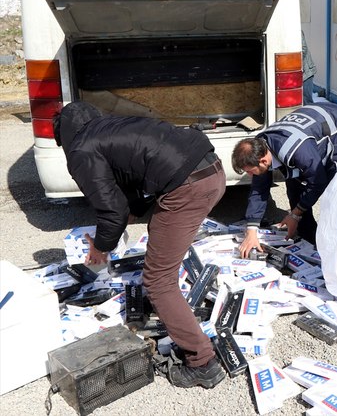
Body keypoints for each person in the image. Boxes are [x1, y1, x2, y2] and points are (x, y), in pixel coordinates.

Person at [53, 101, 226, 388]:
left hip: (188, 186)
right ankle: (190, 336)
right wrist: (130, 211)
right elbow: (129, 178)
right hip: (210, 170)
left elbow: (111, 210)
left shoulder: (80, 150)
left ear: (65, 135)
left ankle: (202, 362)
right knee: (159, 243)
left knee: (158, 280)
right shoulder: (109, 130)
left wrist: (100, 246)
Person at [232, 103, 337, 257]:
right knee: (294, 190)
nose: (251, 175)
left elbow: (318, 182)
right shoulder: (260, 146)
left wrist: (295, 215)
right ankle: (309, 242)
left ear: (263, 161)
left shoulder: (299, 151)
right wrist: (251, 230)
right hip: (311, 128)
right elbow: (259, 190)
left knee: (335, 194)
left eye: (250, 172)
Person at [301, 30, 317, 105]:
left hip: (306, 72)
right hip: (300, 72)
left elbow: (303, 49)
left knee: (307, 100)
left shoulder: (296, 30)